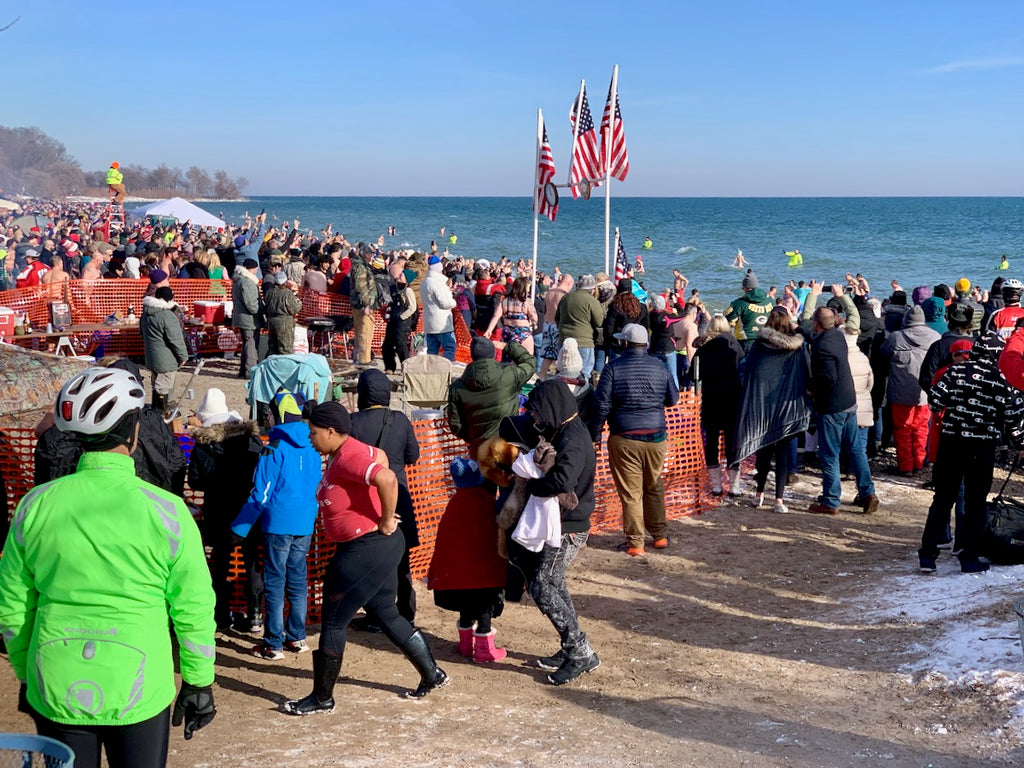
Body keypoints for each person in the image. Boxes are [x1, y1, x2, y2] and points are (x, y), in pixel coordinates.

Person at [0, 368, 216, 767]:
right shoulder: (168, 512)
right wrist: (199, 679)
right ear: (133, 429)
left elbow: (13, 606)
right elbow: (194, 607)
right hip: (139, 680)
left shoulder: (35, 505)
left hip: (56, 678)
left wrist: (27, 669)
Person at [284, 402, 449, 715]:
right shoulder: (346, 451)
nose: (310, 438)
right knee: (385, 611)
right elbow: (382, 458)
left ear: (332, 432)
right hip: (374, 547)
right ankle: (432, 674)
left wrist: (387, 519)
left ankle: (322, 698)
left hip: (366, 547)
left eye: (314, 433)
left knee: (333, 620)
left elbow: (386, 478)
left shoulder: (349, 455)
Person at [511, 380, 599, 684]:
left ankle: (580, 652)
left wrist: (532, 486)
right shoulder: (565, 431)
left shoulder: (573, 439)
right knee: (553, 583)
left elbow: (561, 481)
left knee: (542, 586)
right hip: (565, 523)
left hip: (569, 527)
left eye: (537, 412)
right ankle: (573, 646)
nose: (534, 417)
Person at [920, 331, 1024, 573]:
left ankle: (927, 555)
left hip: (951, 443)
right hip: (982, 446)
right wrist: (1020, 446)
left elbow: (934, 401)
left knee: (942, 500)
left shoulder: (955, 372)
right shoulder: (1001, 379)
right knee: (976, 503)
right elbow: (1013, 419)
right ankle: (969, 557)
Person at [231, 391, 321, 660]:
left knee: (275, 581)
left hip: (278, 525)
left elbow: (261, 494)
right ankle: (296, 637)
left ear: (278, 415)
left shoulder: (274, 449)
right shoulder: (313, 447)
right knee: (297, 580)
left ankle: (273, 643)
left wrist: (239, 528)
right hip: (305, 524)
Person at [590, 323, 679, 555]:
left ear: (625, 343)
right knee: (654, 486)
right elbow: (673, 399)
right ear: (646, 343)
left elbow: (601, 405)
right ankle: (659, 536)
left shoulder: (613, 368)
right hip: (656, 436)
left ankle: (635, 543)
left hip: (624, 436)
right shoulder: (660, 366)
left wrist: (596, 434)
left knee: (631, 493)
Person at [187, 389, 266, 633]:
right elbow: (259, 471)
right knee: (251, 561)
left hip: (218, 510)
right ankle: (255, 615)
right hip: (248, 509)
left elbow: (196, 481)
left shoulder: (204, 445)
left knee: (220, 564)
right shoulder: (251, 439)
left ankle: (222, 616)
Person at [350, 369, 421, 624]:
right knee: (402, 561)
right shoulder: (400, 420)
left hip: (369, 502)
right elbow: (414, 456)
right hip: (400, 495)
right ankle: (405, 613)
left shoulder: (353, 422)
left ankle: (378, 615)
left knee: (372, 562)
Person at [427, 458, 509, 662]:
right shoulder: (487, 502)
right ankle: (484, 649)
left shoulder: (453, 504)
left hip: (458, 571)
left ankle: (465, 645)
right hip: (484, 570)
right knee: (483, 607)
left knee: (465, 606)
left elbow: (444, 539)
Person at [734, 307, 811, 514]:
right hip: (787, 405)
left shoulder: (760, 345)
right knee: (784, 453)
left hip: (762, 404)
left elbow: (750, 370)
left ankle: (759, 494)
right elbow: (805, 371)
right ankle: (778, 499)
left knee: (764, 449)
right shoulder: (796, 347)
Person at [808, 306, 879, 515]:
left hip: (832, 406)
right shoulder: (838, 336)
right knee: (856, 449)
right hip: (850, 401)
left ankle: (830, 501)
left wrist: (810, 386)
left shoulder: (821, 346)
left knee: (830, 454)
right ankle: (868, 493)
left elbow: (828, 377)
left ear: (816, 324)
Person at [447, 337, 535, 455]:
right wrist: (508, 346)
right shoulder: (509, 375)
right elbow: (530, 363)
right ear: (494, 353)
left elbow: (456, 425)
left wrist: (474, 438)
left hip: (479, 450)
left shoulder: (457, 387)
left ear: (472, 356)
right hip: (509, 447)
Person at [880, 305, 941, 476]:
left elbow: (883, 352)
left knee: (902, 430)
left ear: (906, 320)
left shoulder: (896, 337)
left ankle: (906, 466)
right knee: (921, 429)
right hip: (924, 393)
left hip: (900, 392)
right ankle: (920, 462)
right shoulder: (935, 337)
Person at [691, 314, 745, 495]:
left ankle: (716, 485)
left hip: (711, 399)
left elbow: (693, 374)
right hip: (733, 399)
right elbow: (743, 369)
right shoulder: (736, 347)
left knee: (711, 442)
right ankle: (735, 485)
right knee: (733, 442)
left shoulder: (704, 349)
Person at [140, 285, 189, 412]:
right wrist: (183, 356)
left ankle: (158, 410)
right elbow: (175, 339)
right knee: (164, 386)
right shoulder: (167, 315)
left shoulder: (145, 313)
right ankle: (160, 413)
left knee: (156, 384)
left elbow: (142, 333)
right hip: (166, 358)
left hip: (152, 356)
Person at [554, 274, 604, 378]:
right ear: (592, 289)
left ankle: (564, 391)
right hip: (584, 341)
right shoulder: (592, 301)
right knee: (584, 372)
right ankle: (582, 392)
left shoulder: (565, 297)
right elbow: (599, 322)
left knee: (564, 370)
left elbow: (557, 317)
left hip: (564, 339)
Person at [485, 275, 539, 355]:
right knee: (527, 358)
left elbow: (496, 316)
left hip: (508, 332)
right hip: (523, 332)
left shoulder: (505, 301)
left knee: (512, 358)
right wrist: (534, 324)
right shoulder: (526, 301)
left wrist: (489, 330)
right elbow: (534, 317)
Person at [420, 255, 458, 361]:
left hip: (429, 322)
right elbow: (445, 303)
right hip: (442, 324)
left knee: (432, 351)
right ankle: (444, 370)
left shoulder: (424, 282)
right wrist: (454, 301)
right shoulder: (438, 283)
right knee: (450, 348)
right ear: (439, 269)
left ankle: (431, 371)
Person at [232, 257, 264, 379]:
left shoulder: (238, 280)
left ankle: (243, 370)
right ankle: (250, 372)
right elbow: (251, 303)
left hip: (241, 318)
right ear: (252, 269)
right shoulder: (248, 283)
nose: (257, 271)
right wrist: (260, 313)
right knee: (251, 345)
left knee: (246, 344)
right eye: (256, 269)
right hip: (249, 319)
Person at [382, 267, 419, 373]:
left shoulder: (408, 291)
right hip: (393, 321)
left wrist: (401, 317)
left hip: (402, 323)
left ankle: (406, 368)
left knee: (401, 346)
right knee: (387, 345)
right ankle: (389, 367)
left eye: (401, 275)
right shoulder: (396, 288)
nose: (399, 276)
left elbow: (412, 307)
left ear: (407, 279)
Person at [724, 270, 775, 346]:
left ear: (746, 288)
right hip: (766, 338)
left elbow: (727, 318)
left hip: (746, 339)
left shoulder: (740, 303)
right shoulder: (770, 300)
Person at [264, 270, 303, 356]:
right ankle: (284, 367)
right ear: (285, 281)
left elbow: (265, 306)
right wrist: (299, 302)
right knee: (285, 348)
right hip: (284, 322)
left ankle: (271, 366)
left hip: (272, 320)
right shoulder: (287, 293)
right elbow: (294, 308)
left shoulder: (269, 292)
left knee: (272, 348)